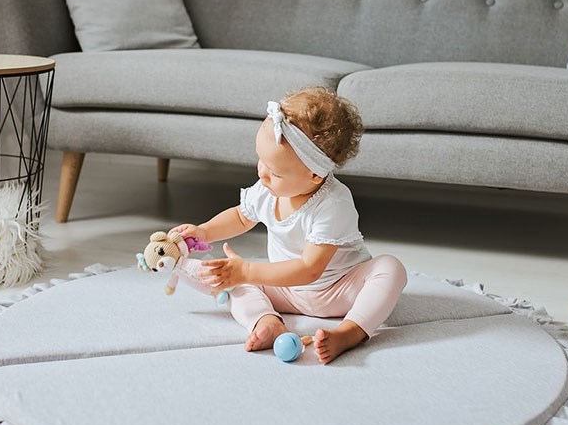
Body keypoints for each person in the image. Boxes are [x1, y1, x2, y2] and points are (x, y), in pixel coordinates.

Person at [172, 86, 408, 364]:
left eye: (274, 171)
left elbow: (310, 268)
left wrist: (247, 270)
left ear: (314, 175)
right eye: (261, 160)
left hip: (340, 290)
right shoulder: (267, 188)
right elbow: (240, 216)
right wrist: (204, 231)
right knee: (237, 285)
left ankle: (351, 331)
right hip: (285, 289)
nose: (262, 173)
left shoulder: (333, 204)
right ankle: (267, 322)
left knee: (390, 269)